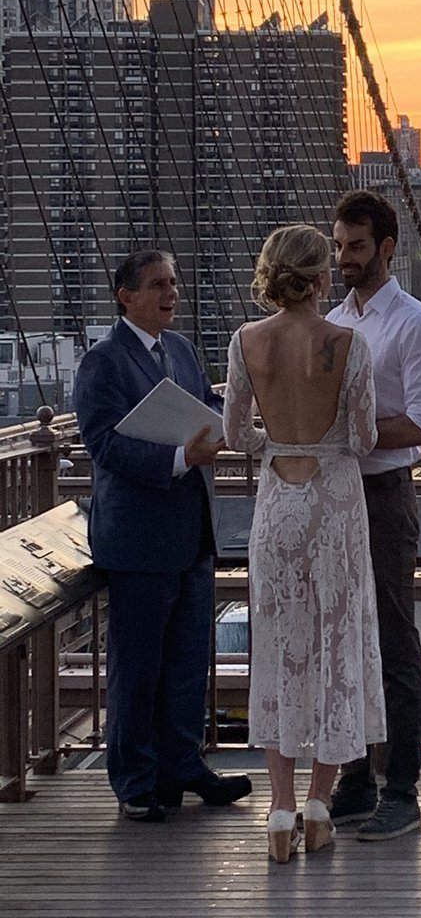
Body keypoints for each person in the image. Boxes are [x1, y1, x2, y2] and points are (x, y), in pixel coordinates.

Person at [223, 224, 386, 860]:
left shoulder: (246, 341)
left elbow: (237, 435)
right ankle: (320, 805)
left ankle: (279, 809)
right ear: (321, 278)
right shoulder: (348, 344)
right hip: (334, 504)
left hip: (276, 508)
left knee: (278, 649)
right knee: (335, 646)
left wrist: (274, 442)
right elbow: (365, 439)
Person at [74, 249, 252, 823]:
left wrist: (234, 417)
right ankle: (135, 781)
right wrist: (181, 458)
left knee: (187, 664)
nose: (170, 293)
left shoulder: (180, 349)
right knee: (138, 668)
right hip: (138, 541)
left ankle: (183, 766)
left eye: (173, 282)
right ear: (125, 296)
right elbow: (104, 444)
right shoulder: (103, 362)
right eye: (157, 284)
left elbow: (206, 404)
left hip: (191, 534)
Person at [327, 190, 421, 842]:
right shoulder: (331, 322)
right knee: (343, 642)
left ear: (388, 248)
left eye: (357, 246)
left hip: (383, 496)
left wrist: (349, 434)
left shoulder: (415, 324)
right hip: (335, 497)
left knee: (394, 643)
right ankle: (354, 781)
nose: (344, 258)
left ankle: (402, 792)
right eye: (339, 246)